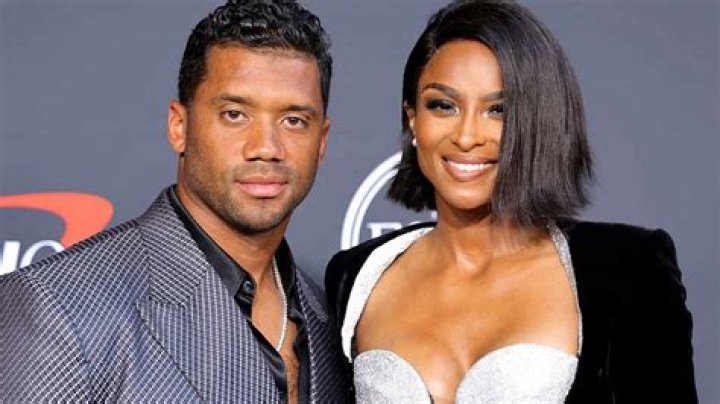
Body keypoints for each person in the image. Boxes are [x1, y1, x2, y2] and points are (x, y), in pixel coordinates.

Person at [325, 1, 697, 403]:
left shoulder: (627, 267)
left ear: (537, 122)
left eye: (498, 110)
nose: (467, 136)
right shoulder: (356, 276)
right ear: (413, 117)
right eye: (443, 106)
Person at [0, 1, 351, 402]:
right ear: (179, 126)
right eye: (235, 114)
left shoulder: (334, 323)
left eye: (294, 121)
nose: (266, 148)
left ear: (322, 141)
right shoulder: (58, 306)